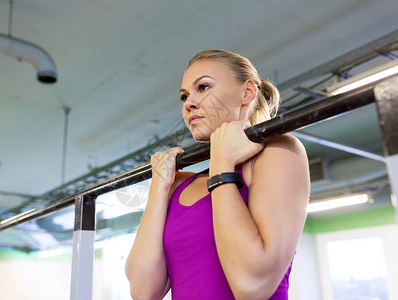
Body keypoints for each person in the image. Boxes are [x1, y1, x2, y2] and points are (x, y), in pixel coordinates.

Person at [125, 49, 310, 300]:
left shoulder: (279, 151)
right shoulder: (178, 183)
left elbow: (252, 285)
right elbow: (143, 291)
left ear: (247, 92)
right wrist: (158, 185)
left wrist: (221, 163)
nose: (188, 103)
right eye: (184, 96)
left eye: (203, 87)